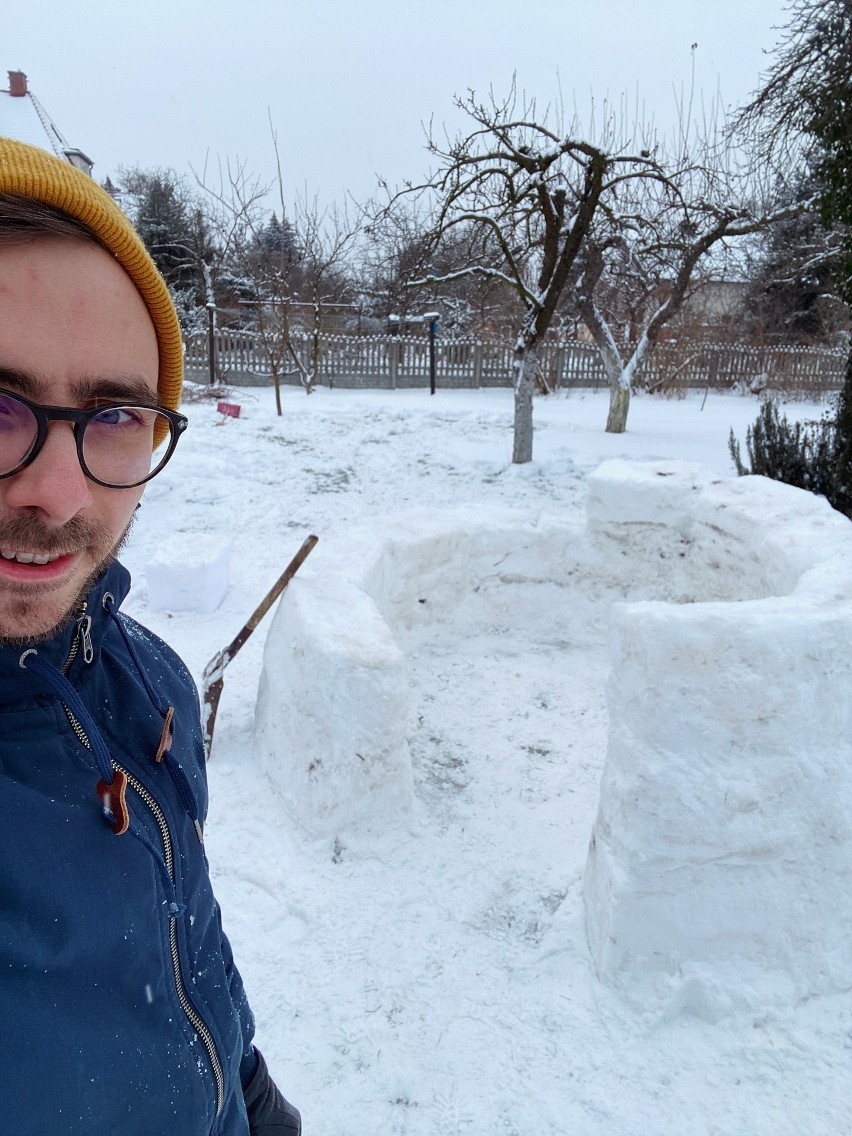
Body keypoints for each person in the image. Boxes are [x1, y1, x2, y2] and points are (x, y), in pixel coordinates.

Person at [0, 137, 301, 1135]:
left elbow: (186, 931)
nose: (58, 490)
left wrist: (250, 1095)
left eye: (116, 413)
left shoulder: (148, 682)